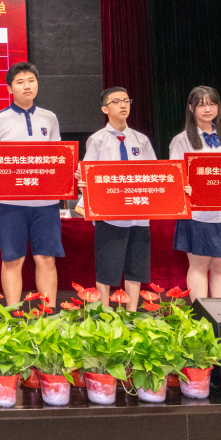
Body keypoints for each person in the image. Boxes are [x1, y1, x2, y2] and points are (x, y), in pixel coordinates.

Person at [0, 61, 63, 307]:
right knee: (12, 260)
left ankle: (48, 315)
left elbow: (59, 156)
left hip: (46, 202)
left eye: (31, 80)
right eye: (20, 82)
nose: (27, 86)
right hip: (10, 203)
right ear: (10, 89)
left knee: (46, 259)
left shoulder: (50, 118)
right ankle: (12, 315)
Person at [80, 87, 155, 310]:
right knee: (107, 270)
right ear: (105, 109)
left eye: (126, 100)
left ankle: (131, 315)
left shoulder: (141, 140)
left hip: (138, 214)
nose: (123, 105)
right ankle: (105, 315)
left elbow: (155, 173)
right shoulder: (97, 140)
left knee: (136, 270)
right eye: (116, 102)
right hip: (109, 216)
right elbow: (89, 175)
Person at [169, 86, 221, 299]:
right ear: (191, 108)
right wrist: (184, 185)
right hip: (199, 214)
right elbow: (175, 175)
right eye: (201, 105)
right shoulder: (182, 140)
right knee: (199, 266)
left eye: (212, 104)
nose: (208, 109)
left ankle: (220, 313)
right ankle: (200, 314)